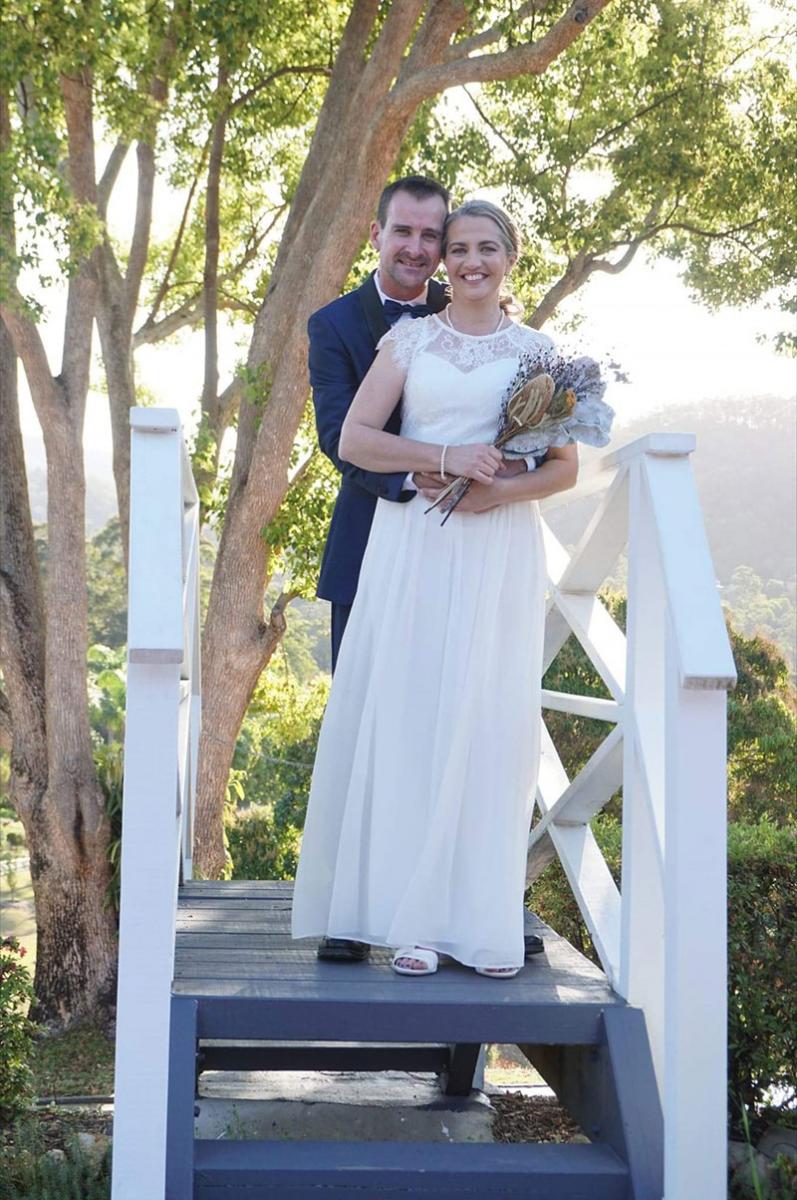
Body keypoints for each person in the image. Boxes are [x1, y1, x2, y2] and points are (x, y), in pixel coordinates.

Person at [292, 200, 578, 977]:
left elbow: (562, 467)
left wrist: (497, 493)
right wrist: (448, 461)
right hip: (415, 546)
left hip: (495, 553)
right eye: (458, 248)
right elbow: (353, 438)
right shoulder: (409, 338)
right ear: (442, 261)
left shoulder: (537, 350)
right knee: (413, 717)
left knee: (486, 719)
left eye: (486, 248)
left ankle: (478, 917)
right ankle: (411, 922)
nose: (469, 261)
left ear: (511, 256)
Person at [307, 175, 450, 963]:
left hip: (454, 548)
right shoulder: (333, 325)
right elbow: (338, 433)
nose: (418, 249)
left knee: (443, 722)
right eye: (405, 232)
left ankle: (451, 905)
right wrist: (413, 474)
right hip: (368, 544)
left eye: (432, 236)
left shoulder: (467, 316)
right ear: (376, 233)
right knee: (360, 725)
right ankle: (347, 910)